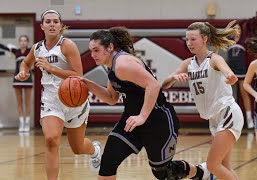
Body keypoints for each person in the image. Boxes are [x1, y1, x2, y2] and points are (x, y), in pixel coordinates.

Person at [78, 27, 210, 180]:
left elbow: (153, 85)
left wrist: (142, 116)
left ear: (110, 47)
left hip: (157, 120)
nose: (93, 55)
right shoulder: (112, 66)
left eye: (96, 50)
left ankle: (201, 172)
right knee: (108, 163)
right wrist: (87, 84)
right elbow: (111, 98)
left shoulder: (123, 64)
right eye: (91, 51)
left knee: (163, 172)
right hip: (131, 122)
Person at [14, 9, 102, 180]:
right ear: (42, 26)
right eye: (48, 21)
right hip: (51, 101)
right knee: (51, 141)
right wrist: (23, 72)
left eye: (55, 21)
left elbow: (78, 75)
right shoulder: (37, 48)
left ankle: (95, 150)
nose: (52, 24)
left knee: (77, 148)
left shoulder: (67, 45)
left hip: (74, 100)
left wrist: (51, 68)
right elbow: (25, 63)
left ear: (61, 26)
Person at [162, 20, 244, 180]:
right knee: (224, 167)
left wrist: (230, 76)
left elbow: (227, 72)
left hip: (227, 113)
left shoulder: (213, 59)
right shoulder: (188, 64)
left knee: (213, 165)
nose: (189, 43)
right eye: (187, 39)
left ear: (205, 39)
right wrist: (173, 77)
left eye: (193, 39)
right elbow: (164, 84)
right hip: (213, 118)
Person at [0, 35, 33, 132]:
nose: (23, 42)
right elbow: (4, 47)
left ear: (27, 42)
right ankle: (21, 123)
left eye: (25, 40)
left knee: (27, 102)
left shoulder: (30, 51)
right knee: (19, 102)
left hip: (28, 79)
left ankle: (27, 122)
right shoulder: (16, 51)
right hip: (17, 78)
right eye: (21, 40)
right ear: (19, 42)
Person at [226, 24, 254, 129]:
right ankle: (232, 120)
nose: (237, 30)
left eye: (238, 28)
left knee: (244, 95)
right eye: (235, 29)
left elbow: (248, 57)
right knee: (230, 97)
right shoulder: (228, 41)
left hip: (242, 72)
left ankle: (249, 120)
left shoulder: (245, 41)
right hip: (231, 72)